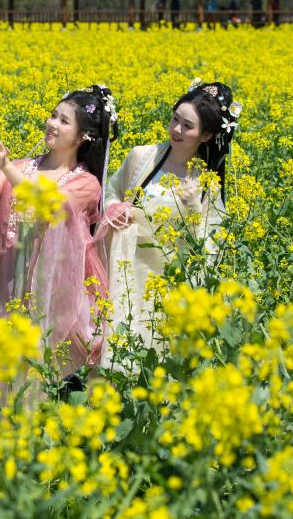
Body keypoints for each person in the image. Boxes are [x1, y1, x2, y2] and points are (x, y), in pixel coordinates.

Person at [0, 85, 119, 373]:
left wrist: (6, 166)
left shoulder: (86, 184)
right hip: (5, 283)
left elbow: (48, 204)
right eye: (53, 115)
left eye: (63, 120)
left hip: (50, 293)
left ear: (83, 136)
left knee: (38, 371)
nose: (52, 123)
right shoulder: (24, 168)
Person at [97, 80, 238, 369]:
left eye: (188, 126)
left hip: (166, 285)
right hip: (124, 269)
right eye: (175, 119)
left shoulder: (205, 184)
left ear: (206, 135)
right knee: (114, 350)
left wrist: (193, 209)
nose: (176, 130)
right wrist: (115, 209)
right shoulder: (141, 156)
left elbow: (211, 247)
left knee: (153, 359)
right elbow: (110, 191)